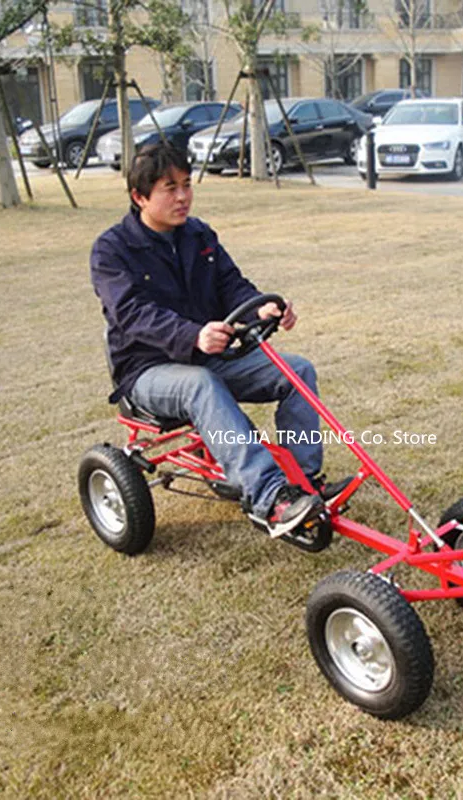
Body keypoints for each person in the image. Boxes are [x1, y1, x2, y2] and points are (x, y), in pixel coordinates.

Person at [90, 143, 348, 538]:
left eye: (187, 184)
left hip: (211, 357)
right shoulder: (112, 250)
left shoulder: (198, 234)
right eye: (169, 188)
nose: (182, 196)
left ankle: (305, 483)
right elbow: (132, 314)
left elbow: (233, 287)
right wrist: (193, 335)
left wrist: (261, 309)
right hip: (147, 370)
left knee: (297, 369)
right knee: (201, 386)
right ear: (139, 197)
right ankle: (270, 498)